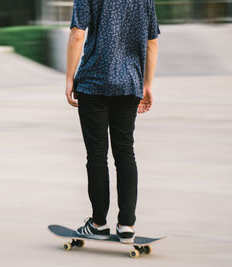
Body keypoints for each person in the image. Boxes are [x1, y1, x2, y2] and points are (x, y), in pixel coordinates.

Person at [65, 0, 160, 243]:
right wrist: (147, 84)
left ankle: (98, 223)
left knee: (96, 155)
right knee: (125, 153)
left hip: (93, 83)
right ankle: (126, 224)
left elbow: (77, 34)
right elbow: (152, 42)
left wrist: (69, 78)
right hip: (130, 83)